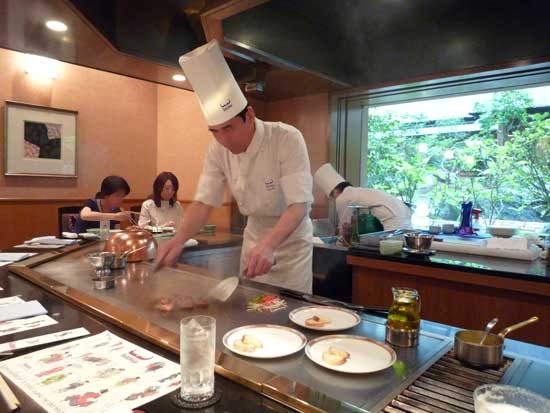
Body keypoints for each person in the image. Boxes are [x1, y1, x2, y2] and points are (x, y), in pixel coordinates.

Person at [155, 40, 314, 293]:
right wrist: (178, 240)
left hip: (290, 247)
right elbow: (203, 203)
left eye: (229, 128)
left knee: (287, 316)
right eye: (214, 131)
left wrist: (269, 245)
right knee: (249, 312)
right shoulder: (217, 148)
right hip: (254, 241)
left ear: (249, 116)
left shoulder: (286, 138)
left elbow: (299, 205)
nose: (223, 139)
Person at [314, 163, 412, 233]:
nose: (334, 200)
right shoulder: (356, 192)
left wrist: (337, 244)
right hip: (404, 216)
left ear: (335, 191)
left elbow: (344, 227)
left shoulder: (343, 197)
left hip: (393, 222)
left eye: (332, 197)